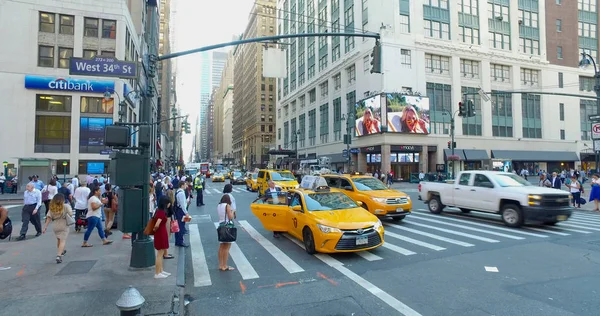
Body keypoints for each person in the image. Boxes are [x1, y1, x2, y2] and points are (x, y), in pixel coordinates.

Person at [42, 193, 73, 263]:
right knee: (63, 240)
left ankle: (61, 251)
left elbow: (48, 218)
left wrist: (45, 227)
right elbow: (71, 214)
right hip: (63, 223)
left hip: (55, 224)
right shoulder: (65, 206)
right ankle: (59, 255)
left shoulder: (52, 208)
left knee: (59, 239)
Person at [152, 195, 172, 279]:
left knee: (161, 253)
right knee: (160, 254)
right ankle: (157, 273)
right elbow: (157, 224)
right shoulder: (161, 212)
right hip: (160, 232)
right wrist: (155, 229)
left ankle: (161, 270)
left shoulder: (159, 211)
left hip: (161, 232)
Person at [217, 194, 235, 271]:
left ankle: (221, 265)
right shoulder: (227, 206)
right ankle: (225, 265)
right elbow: (230, 217)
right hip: (227, 226)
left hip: (221, 226)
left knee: (221, 247)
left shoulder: (219, 205)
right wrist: (233, 211)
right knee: (227, 247)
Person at [174, 181, 190, 247]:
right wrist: (186, 213)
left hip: (178, 210)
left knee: (179, 226)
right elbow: (183, 205)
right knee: (181, 226)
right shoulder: (181, 193)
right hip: (181, 211)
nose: (186, 186)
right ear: (182, 185)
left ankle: (178, 241)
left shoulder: (178, 192)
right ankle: (180, 241)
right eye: (185, 184)